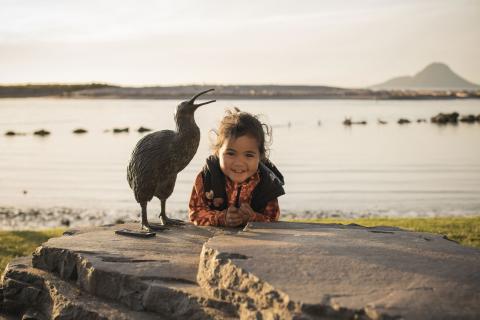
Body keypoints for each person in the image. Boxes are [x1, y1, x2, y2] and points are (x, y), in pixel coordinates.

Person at [189, 108, 285, 227]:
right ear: (218, 152)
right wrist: (221, 218)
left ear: (260, 157)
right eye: (231, 153)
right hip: (214, 241)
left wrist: (254, 218)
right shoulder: (206, 178)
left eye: (249, 155)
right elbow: (195, 213)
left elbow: (273, 221)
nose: (239, 163)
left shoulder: (267, 183)